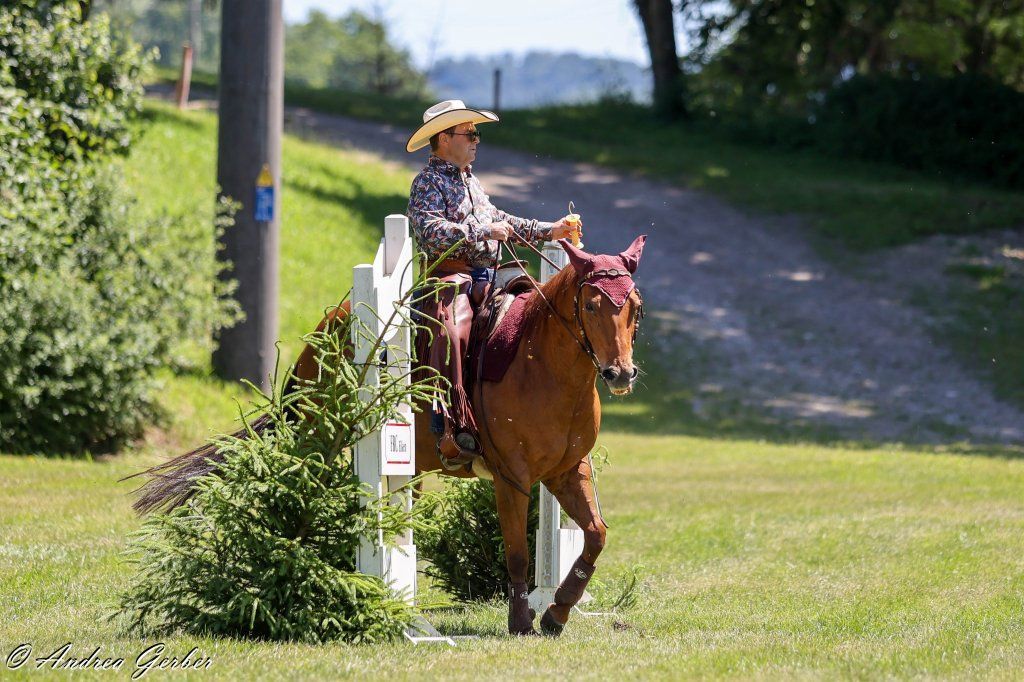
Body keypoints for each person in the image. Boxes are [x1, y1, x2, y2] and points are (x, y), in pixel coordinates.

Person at [405, 99, 579, 461]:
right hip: (449, 278)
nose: (476, 140)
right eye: (469, 133)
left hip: (489, 279)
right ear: (444, 138)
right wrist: (483, 231)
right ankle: (449, 425)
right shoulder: (426, 182)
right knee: (451, 334)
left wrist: (551, 230)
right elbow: (430, 231)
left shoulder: (471, 181)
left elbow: (501, 219)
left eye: (475, 133)